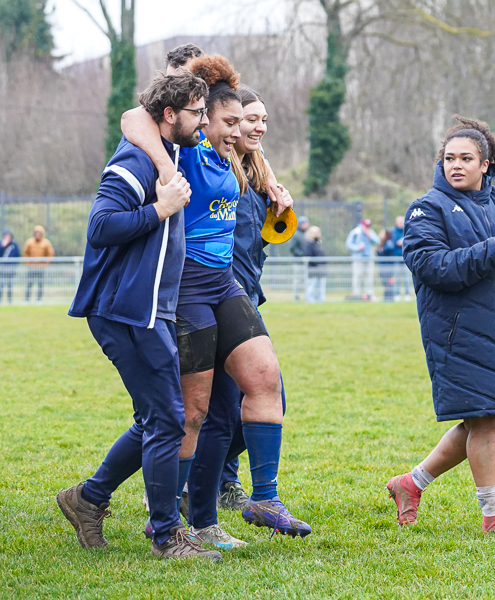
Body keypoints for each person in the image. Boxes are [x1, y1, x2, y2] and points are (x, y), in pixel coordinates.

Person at [121, 55, 309, 539]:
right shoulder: (187, 149)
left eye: (243, 122)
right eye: (230, 122)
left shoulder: (240, 160)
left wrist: (272, 191)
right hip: (184, 288)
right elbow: (132, 117)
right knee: (195, 411)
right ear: (204, 121)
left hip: (223, 283)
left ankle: (265, 497)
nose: (238, 130)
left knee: (265, 378)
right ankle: (168, 520)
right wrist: (165, 166)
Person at [57, 71, 221, 561]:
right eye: (197, 112)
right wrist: (160, 208)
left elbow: (136, 117)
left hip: (149, 312)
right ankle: (167, 535)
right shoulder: (134, 161)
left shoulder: (168, 152)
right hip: (125, 312)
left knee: (156, 417)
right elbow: (101, 227)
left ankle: (87, 498)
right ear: (170, 115)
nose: (205, 120)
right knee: (168, 419)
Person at [386, 115, 495, 537]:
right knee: (487, 419)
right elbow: (430, 266)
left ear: (487, 163)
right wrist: (490, 251)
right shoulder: (426, 208)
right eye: (448, 158)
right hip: (454, 332)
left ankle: (411, 483)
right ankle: (493, 517)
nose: (455, 165)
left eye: (465, 158)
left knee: (483, 417)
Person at [185, 85, 302, 549]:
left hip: (240, 297)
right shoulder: (209, 160)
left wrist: (278, 204)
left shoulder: (255, 172)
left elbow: (258, 240)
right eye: (244, 119)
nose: (254, 128)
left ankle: (221, 488)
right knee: (200, 415)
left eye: (261, 120)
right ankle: (189, 501)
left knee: (254, 399)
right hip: (204, 299)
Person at [345, 218, 380, 300]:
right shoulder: (355, 232)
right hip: (358, 259)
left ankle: (369, 294)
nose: (366, 227)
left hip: (369, 258)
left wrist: (369, 235)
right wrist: (357, 248)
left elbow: (378, 241)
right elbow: (348, 244)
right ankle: (357, 295)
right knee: (357, 277)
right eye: (365, 226)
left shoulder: (371, 232)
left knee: (369, 277)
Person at [23, 225, 54, 303]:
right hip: (31, 267)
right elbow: (25, 253)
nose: (37, 234)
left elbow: (50, 254)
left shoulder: (46, 243)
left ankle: (39, 299)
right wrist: (28, 263)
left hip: (41, 267)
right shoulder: (29, 242)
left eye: (39, 233)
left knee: (40, 284)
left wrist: (45, 264)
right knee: (29, 283)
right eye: (36, 233)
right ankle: (27, 299)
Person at [305, 226, 326, 302]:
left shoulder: (318, 243)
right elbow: (308, 255)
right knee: (312, 284)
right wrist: (314, 263)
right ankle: (310, 299)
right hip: (313, 267)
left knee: (321, 284)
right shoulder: (309, 244)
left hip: (321, 267)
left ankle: (321, 299)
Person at [376, 228, 398, 302]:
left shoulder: (388, 242)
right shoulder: (382, 242)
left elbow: (390, 247)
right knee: (385, 282)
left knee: (388, 282)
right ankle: (386, 297)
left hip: (387, 266)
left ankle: (389, 298)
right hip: (382, 266)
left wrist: (382, 249)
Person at [0, 230, 19, 303]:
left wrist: (14, 265)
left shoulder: (14, 245)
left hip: (11, 268)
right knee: (1, 284)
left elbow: (17, 255)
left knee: (10, 284)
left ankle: (9, 300)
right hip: (2, 268)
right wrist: (2, 246)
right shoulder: (1, 243)